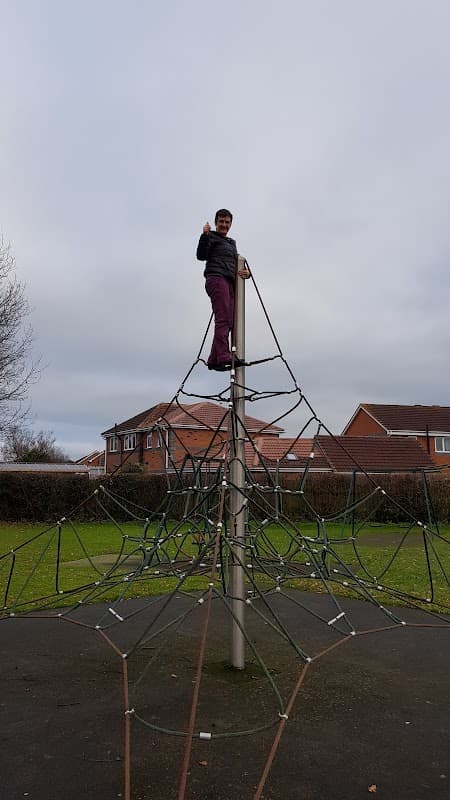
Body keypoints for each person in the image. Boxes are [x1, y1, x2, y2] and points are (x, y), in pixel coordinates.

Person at [196, 208, 250, 371]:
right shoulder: (210, 237)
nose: (224, 225)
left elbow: (235, 262)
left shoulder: (231, 243)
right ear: (215, 223)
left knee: (231, 320)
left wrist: (247, 273)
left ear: (231, 224)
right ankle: (224, 356)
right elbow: (201, 255)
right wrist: (204, 236)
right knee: (224, 318)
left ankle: (214, 359)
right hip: (217, 278)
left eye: (227, 222)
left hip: (230, 282)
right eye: (221, 222)